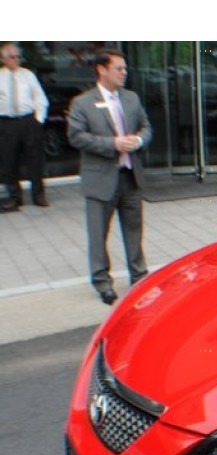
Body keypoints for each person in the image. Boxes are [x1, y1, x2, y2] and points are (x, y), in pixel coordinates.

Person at [67, 49, 152, 305]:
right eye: (119, 68)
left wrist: (138, 140)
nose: (124, 73)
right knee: (98, 234)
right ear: (102, 70)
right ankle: (102, 282)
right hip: (100, 179)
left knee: (134, 232)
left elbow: (146, 127)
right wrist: (112, 143)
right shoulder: (83, 102)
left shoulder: (131, 98)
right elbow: (76, 136)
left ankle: (139, 277)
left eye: (125, 68)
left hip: (129, 177)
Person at [0, 42, 49, 211]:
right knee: (9, 161)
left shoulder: (28, 75)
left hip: (28, 121)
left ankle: (38, 195)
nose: (16, 60)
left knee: (35, 159)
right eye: (12, 57)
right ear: (3, 59)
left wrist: (38, 120)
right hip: (7, 123)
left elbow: (40, 98)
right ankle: (14, 197)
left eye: (18, 57)